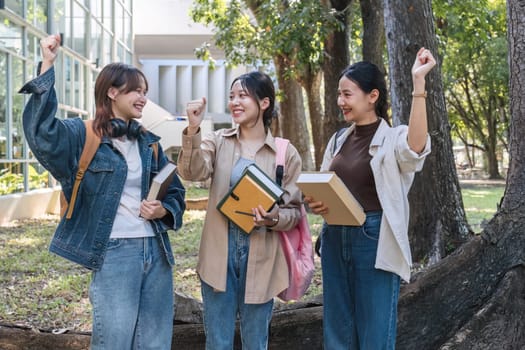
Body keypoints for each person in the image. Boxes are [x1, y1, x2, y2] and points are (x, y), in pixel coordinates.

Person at [20, 34, 186, 350]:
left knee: (155, 344)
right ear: (112, 92)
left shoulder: (149, 143)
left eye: (145, 92)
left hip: (157, 253)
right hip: (115, 253)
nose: (142, 97)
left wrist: (163, 210)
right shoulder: (82, 136)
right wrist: (48, 64)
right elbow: (41, 133)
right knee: (114, 342)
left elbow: (176, 190)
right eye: (136, 90)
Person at [305, 47, 436, 349]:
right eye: (339, 94)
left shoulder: (393, 138)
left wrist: (419, 86)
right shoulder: (339, 138)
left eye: (347, 94)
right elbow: (325, 182)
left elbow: (415, 149)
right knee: (337, 329)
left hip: (374, 239)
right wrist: (316, 202)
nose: (340, 102)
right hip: (335, 236)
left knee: (375, 330)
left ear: (372, 96)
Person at [177, 71, 303, 349]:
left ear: (265, 103)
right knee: (218, 342)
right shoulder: (217, 140)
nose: (235, 102)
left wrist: (274, 218)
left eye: (243, 95)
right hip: (218, 253)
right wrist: (193, 129)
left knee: (256, 342)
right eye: (232, 96)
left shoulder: (285, 153)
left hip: (263, 255)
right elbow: (192, 171)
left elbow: (294, 212)